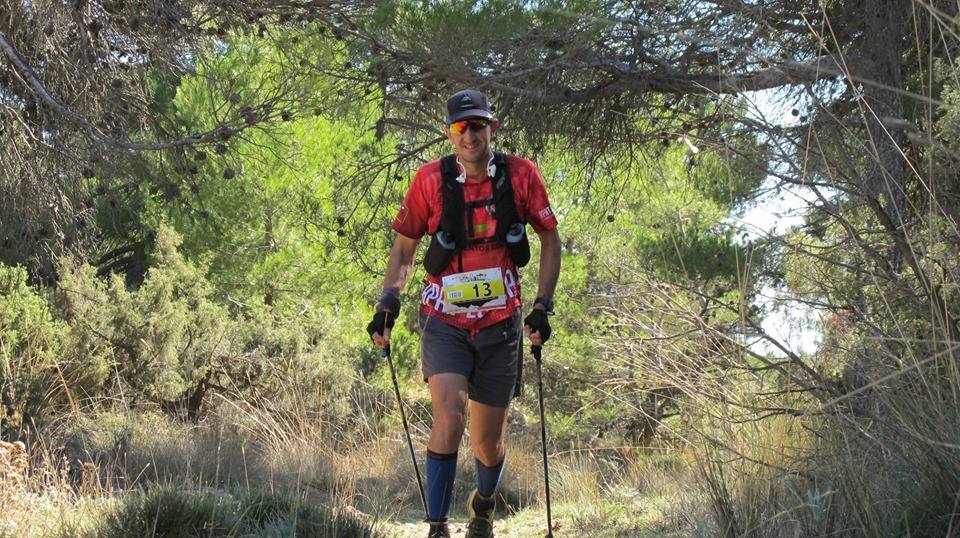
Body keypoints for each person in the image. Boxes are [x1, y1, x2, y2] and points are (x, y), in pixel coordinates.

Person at [367, 89, 561, 538]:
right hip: (444, 320)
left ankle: (484, 503)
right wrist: (387, 302)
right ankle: (437, 527)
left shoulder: (523, 176)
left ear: (493, 127)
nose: (470, 134)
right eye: (460, 126)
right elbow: (404, 247)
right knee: (450, 413)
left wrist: (542, 307)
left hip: (501, 322)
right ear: (449, 132)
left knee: (487, 443)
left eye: (478, 125)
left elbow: (549, 238)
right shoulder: (429, 180)